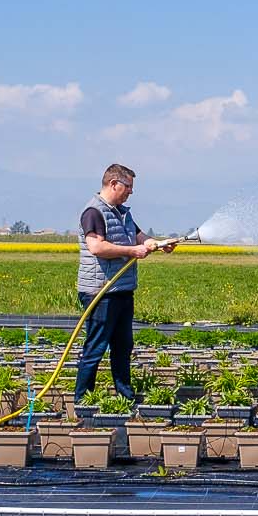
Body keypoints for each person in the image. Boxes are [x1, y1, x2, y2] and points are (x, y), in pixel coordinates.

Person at [73, 162, 171, 401]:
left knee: (123, 347)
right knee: (96, 347)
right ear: (114, 183)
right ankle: (83, 401)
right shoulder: (94, 212)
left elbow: (139, 237)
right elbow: (96, 246)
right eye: (128, 187)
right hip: (101, 292)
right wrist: (131, 251)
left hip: (122, 290)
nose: (130, 192)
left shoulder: (122, 212)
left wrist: (157, 244)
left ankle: (124, 397)